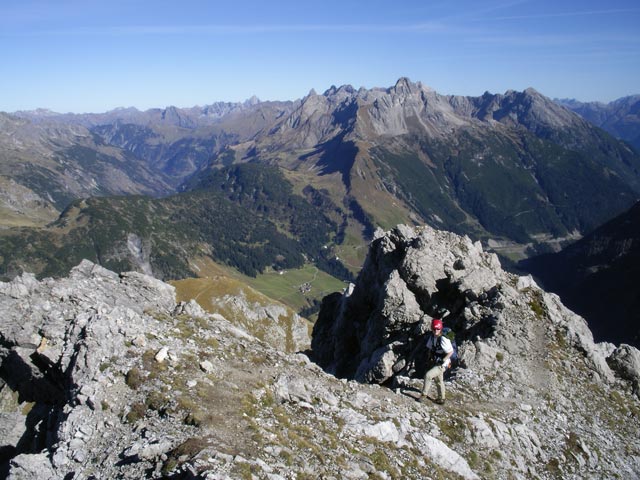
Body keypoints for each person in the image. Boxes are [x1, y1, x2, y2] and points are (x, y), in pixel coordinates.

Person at [420, 318, 453, 405]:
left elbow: (451, 352)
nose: (436, 330)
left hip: (443, 363)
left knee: (428, 375)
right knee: (439, 380)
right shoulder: (432, 337)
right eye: (434, 329)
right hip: (436, 361)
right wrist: (429, 358)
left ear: (441, 329)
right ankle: (441, 398)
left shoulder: (443, 339)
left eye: (438, 329)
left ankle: (424, 395)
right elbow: (430, 348)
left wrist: (443, 360)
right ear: (431, 328)